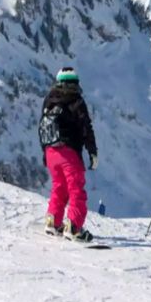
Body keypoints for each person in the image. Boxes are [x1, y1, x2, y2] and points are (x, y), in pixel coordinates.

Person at [38, 67, 98, 242]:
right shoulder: (76, 100)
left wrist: (45, 152)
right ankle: (74, 227)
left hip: (50, 152)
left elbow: (42, 126)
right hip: (68, 152)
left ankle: (52, 221)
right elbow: (86, 128)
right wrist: (92, 152)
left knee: (59, 187)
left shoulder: (49, 100)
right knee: (76, 190)